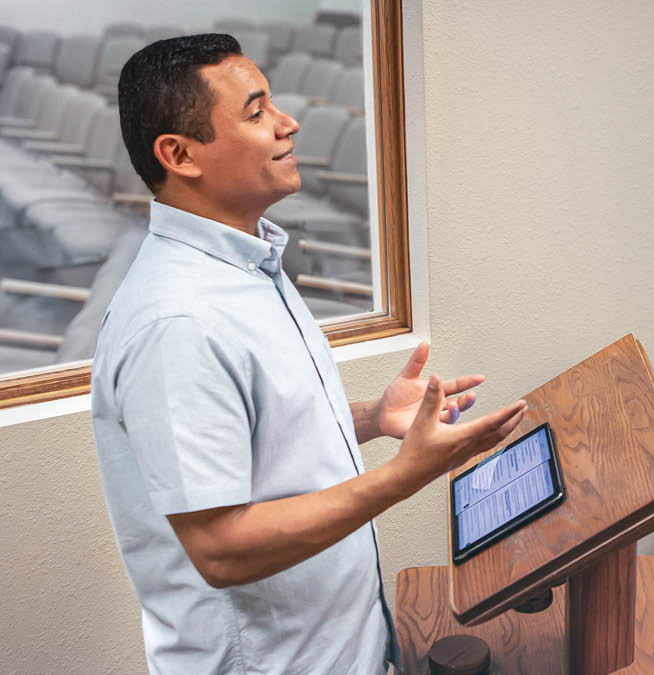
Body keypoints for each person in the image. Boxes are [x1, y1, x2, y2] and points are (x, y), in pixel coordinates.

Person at [90, 35, 527, 675]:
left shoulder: (248, 264)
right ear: (179, 155)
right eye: (256, 112)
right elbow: (221, 548)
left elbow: (253, 443)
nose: (287, 123)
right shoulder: (176, 321)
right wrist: (406, 475)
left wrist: (374, 417)